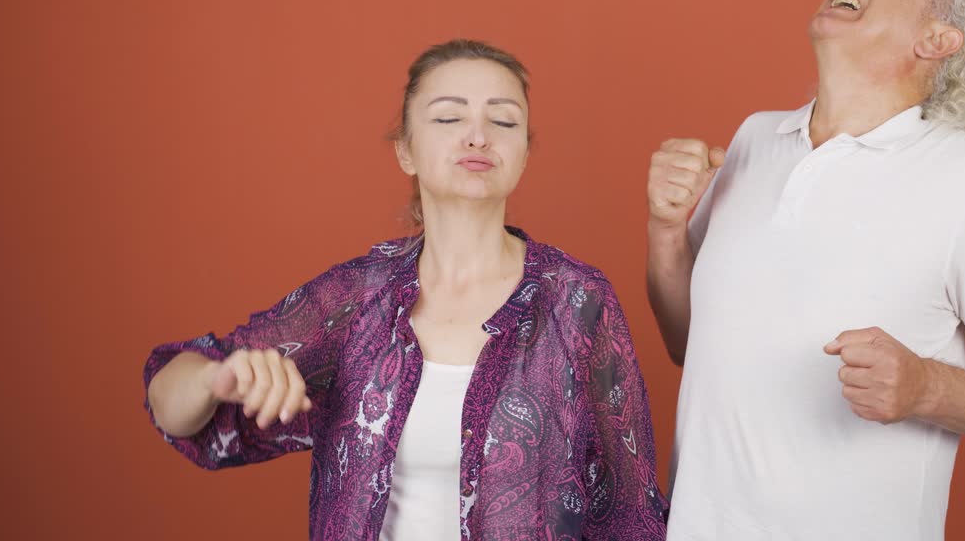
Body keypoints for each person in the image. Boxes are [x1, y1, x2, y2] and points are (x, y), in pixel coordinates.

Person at [145, 39, 668, 541]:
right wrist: (216, 377)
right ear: (406, 152)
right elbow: (171, 402)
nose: (478, 135)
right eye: (448, 117)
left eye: (503, 120)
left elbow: (631, 514)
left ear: (525, 153)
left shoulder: (578, 301)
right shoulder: (353, 301)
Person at [646, 0, 965, 540]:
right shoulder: (754, 139)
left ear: (937, 41)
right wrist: (665, 232)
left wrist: (924, 385)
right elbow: (689, 341)